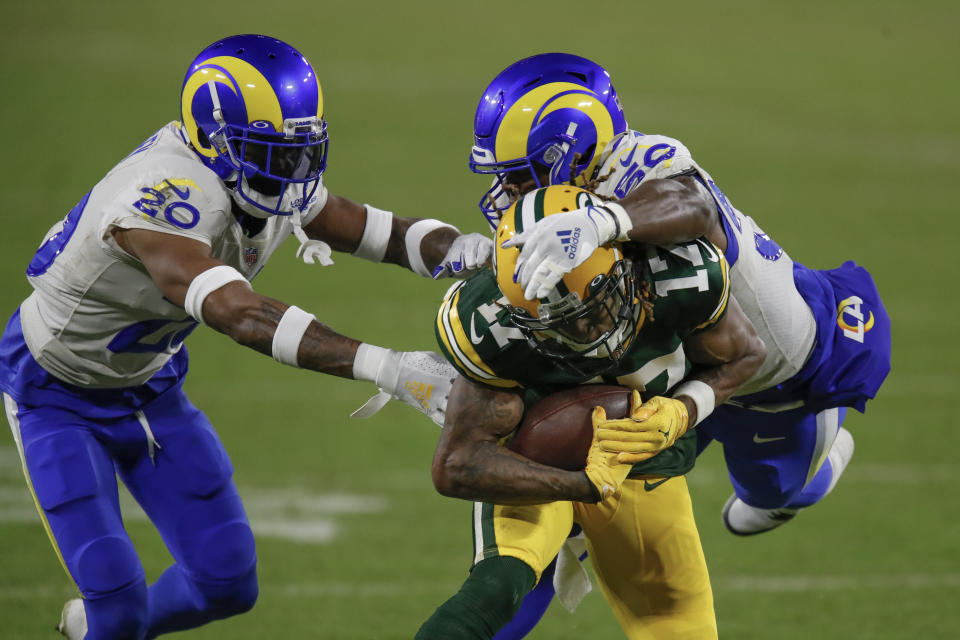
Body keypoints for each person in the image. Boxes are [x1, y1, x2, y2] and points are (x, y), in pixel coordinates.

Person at [0, 34, 489, 640]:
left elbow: (369, 228)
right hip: (56, 393)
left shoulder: (255, 170)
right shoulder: (166, 196)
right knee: (119, 604)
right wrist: (385, 366)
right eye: (274, 154)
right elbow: (241, 314)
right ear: (212, 137)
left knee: (228, 583)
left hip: (150, 386)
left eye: (300, 151)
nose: (293, 172)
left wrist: (464, 250)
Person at [469, 52, 890, 537]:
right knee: (584, 514)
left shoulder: (641, 166)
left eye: (519, 174)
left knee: (770, 496)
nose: (507, 191)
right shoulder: (559, 207)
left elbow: (692, 205)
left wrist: (603, 221)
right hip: (671, 362)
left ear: (573, 153)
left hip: (769, 378)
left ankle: (811, 476)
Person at [415, 184, 767, 639]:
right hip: (536, 456)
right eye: (557, 324)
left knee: (678, 625)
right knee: (497, 587)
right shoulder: (488, 321)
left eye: (591, 308)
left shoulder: (678, 272)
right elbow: (457, 464)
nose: (583, 332)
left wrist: (681, 412)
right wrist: (581, 485)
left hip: (642, 459)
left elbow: (744, 355)